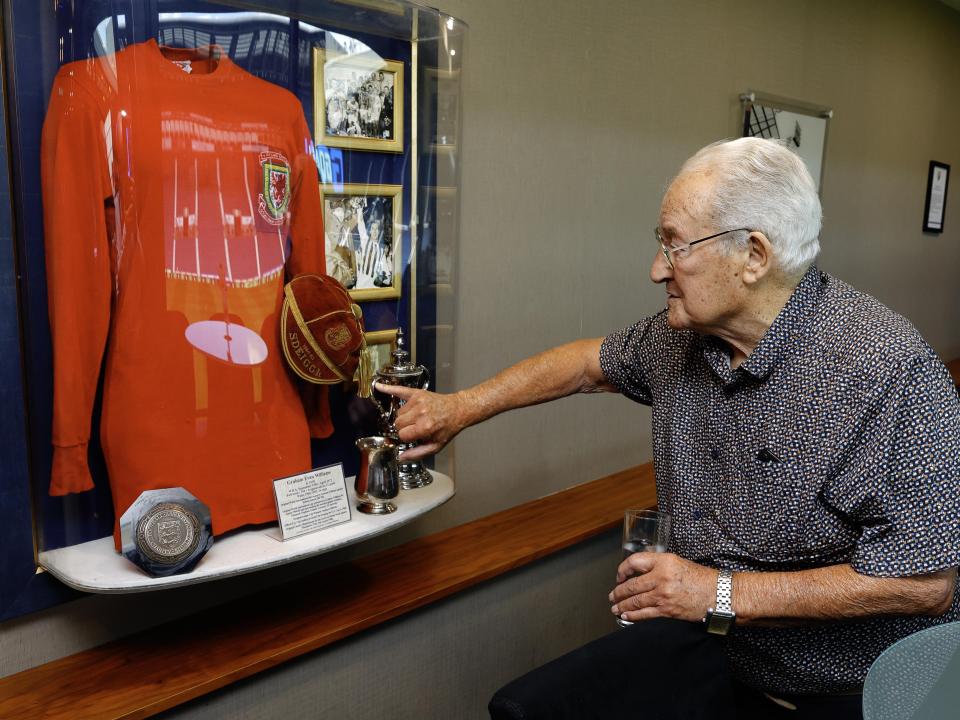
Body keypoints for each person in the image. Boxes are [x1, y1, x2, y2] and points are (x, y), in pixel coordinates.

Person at [376, 137, 960, 719]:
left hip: (852, 694)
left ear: (753, 256)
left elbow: (924, 583)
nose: (657, 269)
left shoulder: (886, 371)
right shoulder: (677, 337)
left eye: (674, 246)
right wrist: (459, 408)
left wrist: (720, 592)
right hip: (716, 659)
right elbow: (584, 364)